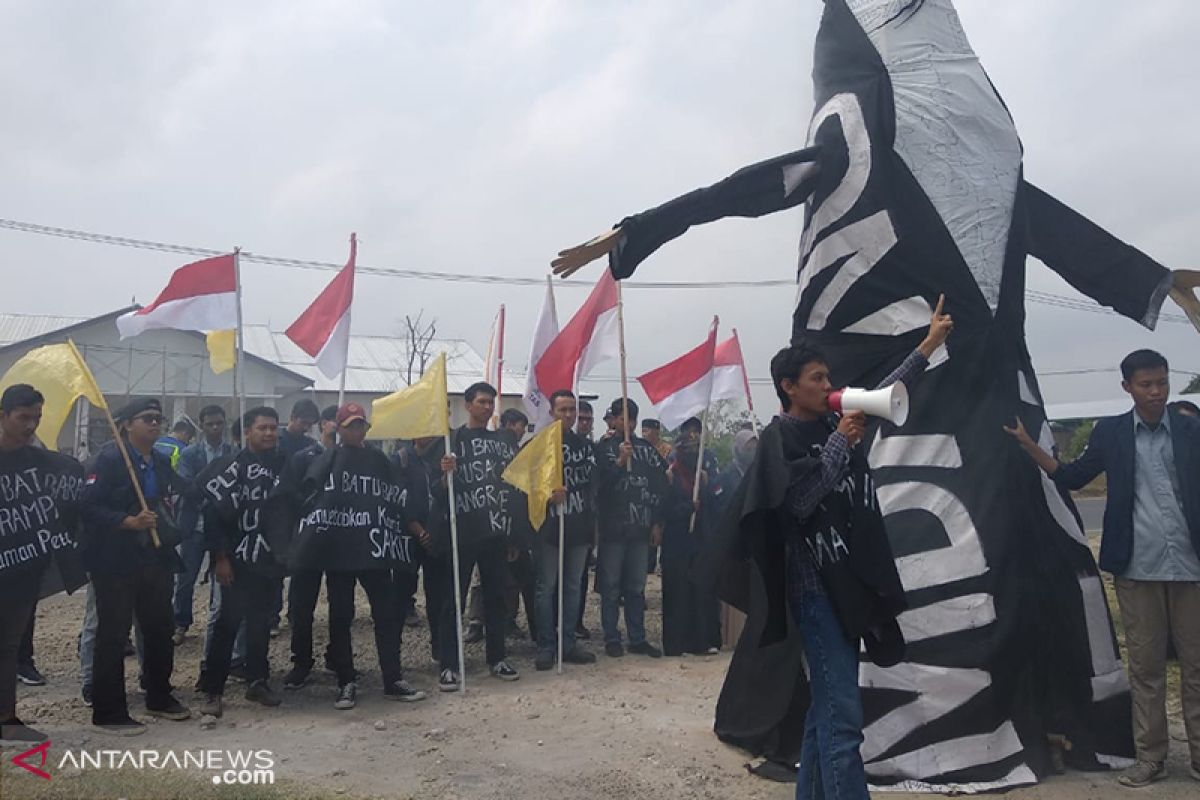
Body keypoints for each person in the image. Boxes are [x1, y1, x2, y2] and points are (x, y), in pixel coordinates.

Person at [1005, 349, 1200, 788]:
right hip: (1137, 567)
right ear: (1127, 387)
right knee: (1147, 670)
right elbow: (1071, 477)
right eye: (1146, 384)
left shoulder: (1191, 428)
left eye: (1162, 383)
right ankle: (1151, 759)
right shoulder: (1111, 432)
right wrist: (1029, 444)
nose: (1156, 392)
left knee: (1196, 666)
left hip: (1191, 567)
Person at [295, 403, 427, 709]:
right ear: (338, 429)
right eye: (351, 426)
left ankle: (393, 678)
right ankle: (346, 680)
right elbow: (308, 495)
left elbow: (397, 495)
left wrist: (413, 527)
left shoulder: (378, 459)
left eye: (361, 426)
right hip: (339, 554)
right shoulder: (328, 459)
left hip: (374, 551)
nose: (357, 431)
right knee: (341, 617)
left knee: (388, 614)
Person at [80, 397, 190, 734]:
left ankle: (158, 694)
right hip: (114, 559)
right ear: (127, 424)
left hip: (153, 556)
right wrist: (127, 521)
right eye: (147, 419)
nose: (155, 425)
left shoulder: (157, 459)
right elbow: (86, 506)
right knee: (113, 634)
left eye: (159, 419)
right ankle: (108, 710)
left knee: (159, 626)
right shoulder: (109, 460)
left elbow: (179, 489)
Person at [1, 385, 85, 745]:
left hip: (23, 574)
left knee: (7, 646)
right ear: (2, 416)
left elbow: (64, 503)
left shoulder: (41, 465)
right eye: (23, 417)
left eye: (36, 417)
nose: (31, 425)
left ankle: (6, 719)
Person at [195, 407, 288, 718]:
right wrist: (220, 558)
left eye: (273, 428)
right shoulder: (229, 466)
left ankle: (257, 680)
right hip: (235, 559)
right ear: (247, 431)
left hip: (268, 561)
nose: (269, 434)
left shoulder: (283, 465)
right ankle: (213, 690)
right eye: (262, 428)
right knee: (227, 624)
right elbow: (212, 516)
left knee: (261, 624)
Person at [437, 382, 521, 690]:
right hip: (462, 534)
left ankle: (497, 657)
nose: (487, 407)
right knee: (453, 601)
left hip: (496, 532)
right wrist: (446, 474)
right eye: (482, 402)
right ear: (468, 404)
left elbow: (513, 486)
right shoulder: (452, 439)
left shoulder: (504, 440)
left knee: (495, 598)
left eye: (491, 403)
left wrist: (514, 535)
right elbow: (439, 492)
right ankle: (449, 664)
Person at [595, 398, 667, 658]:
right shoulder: (602, 449)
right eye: (620, 417)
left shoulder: (647, 450)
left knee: (636, 587)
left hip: (640, 529)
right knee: (611, 586)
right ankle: (611, 637)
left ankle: (637, 638)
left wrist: (657, 522)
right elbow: (597, 487)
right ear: (613, 419)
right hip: (613, 531)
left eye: (630, 417)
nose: (625, 422)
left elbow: (661, 486)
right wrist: (618, 463)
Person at [532, 390, 598, 671]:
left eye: (572, 410)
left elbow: (596, 482)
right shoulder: (540, 445)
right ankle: (546, 645)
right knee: (545, 588)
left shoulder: (585, 445)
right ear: (552, 413)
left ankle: (568, 643)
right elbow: (527, 484)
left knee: (572, 587)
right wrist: (548, 496)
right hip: (549, 529)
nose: (569, 415)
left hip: (579, 527)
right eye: (563, 410)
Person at [280, 405, 339, 690]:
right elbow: (289, 497)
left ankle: (338, 657)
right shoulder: (304, 458)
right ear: (323, 424)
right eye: (334, 422)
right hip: (308, 542)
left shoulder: (357, 459)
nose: (338, 428)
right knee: (301, 607)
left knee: (342, 606)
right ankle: (301, 662)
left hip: (343, 544)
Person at [172, 404, 235, 645]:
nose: (215, 428)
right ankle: (181, 622)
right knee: (186, 577)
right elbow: (187, 487)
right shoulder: (189, 454)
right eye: (210, 424)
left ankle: (216, 620)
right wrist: (213, 484)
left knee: (222, 576)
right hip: (196, 524)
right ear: (201, 426)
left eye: (219, 423)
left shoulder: (233, 452)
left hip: (223, 526)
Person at [660, 419, 721, 657]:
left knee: (699, 593)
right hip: (676, 543)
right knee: (677, 594)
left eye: (696, 450)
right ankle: (676, 644)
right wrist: (688, 508)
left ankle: (700, 642)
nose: (691, 454)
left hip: (698, 541)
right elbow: (665, 510)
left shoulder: (703, 477)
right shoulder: (670, 476)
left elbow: (712, 506)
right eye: (687, 450)